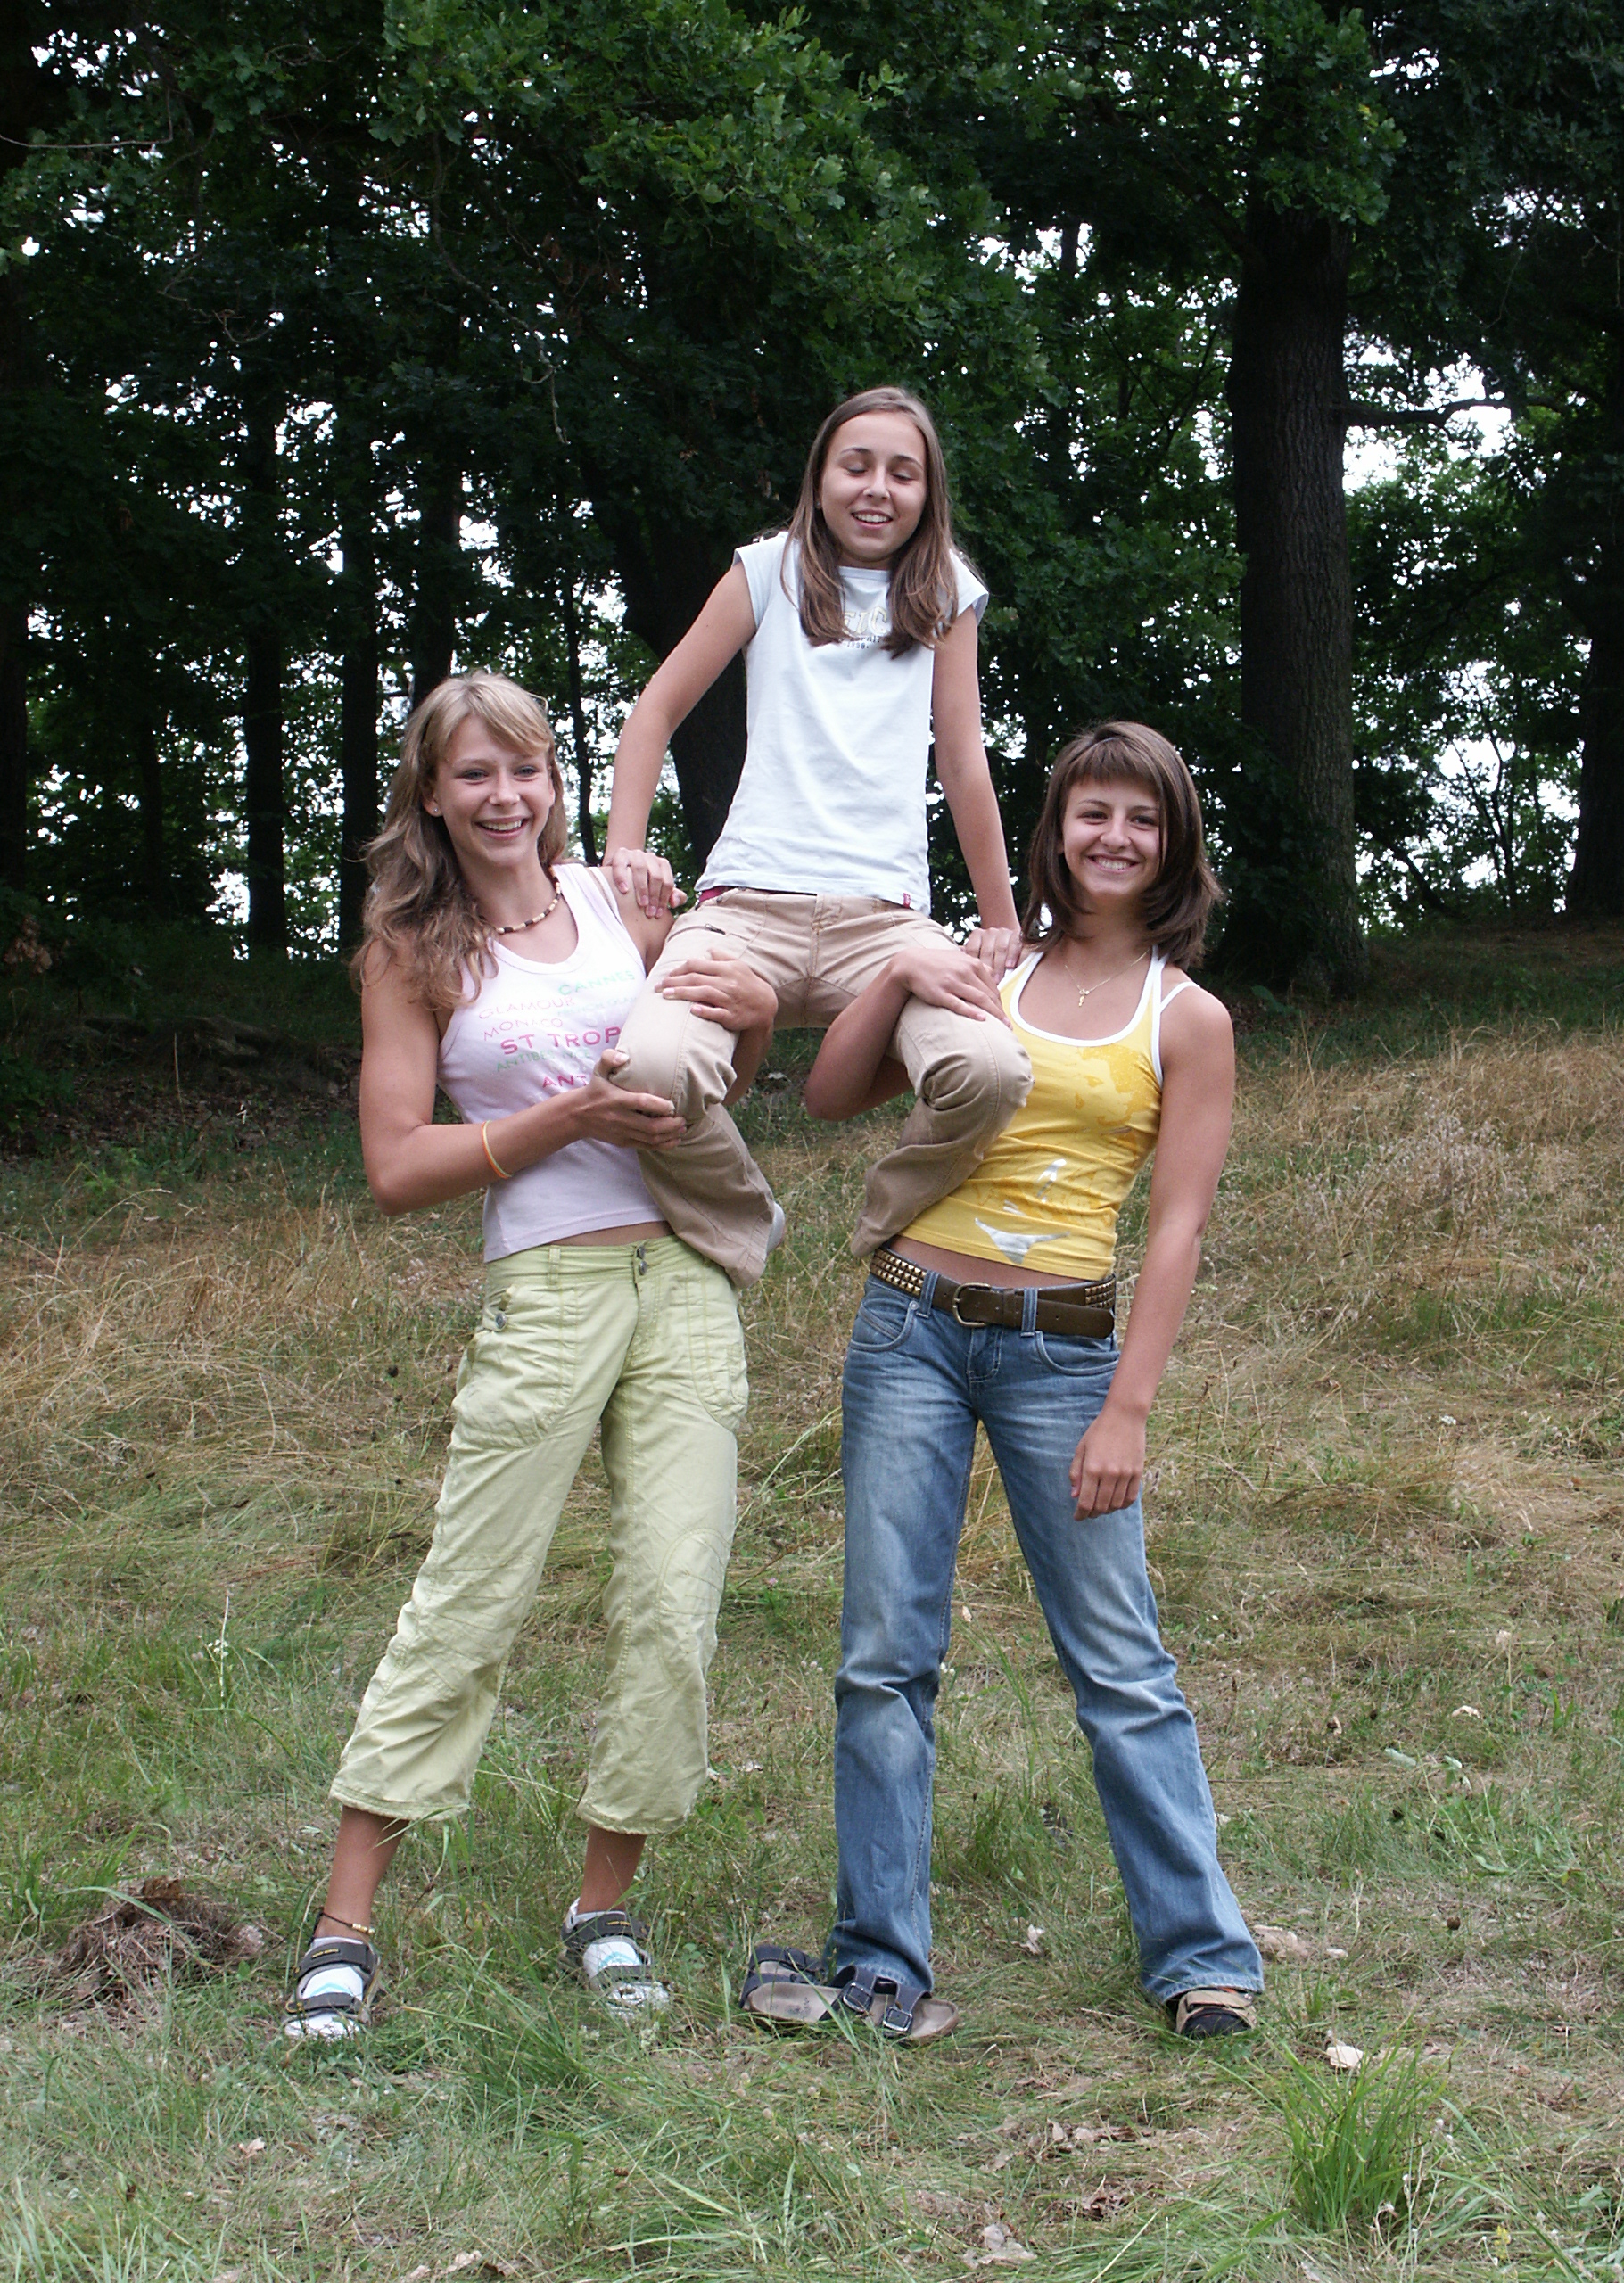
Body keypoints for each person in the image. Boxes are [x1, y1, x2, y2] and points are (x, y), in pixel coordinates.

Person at [740, 722, 1264, 2044]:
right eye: (1093, 813)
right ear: (1056, 829)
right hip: (910, 1328)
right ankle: (880, 1962)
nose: (1114, 839)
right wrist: (901, 966)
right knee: (884, 1656)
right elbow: (830, 1094)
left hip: (1064, 1352)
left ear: (1174, 843)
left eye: (1142, 819)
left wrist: (1128, 1408)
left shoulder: (1187, 1018)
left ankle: (1203, 1958)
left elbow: (1178, 1227)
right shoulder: (990, 969)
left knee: (1120, 1661)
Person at [284, 672, 778, 2040]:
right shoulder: (411, 952)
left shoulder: (624, 907)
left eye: (529, 769)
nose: (507, 797)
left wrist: (754, 1016)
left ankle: (602, 1909)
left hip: (682, 1279)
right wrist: (563, 1121)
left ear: (557, 783)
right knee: (471, 1596)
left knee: (673, 1603)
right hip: (549, 1289)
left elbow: (713, 1076)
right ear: (432, 796)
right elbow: (397, 1167)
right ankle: (343, 1929)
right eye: (476, 774)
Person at [598, 385, 1034, 1283]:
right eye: (856, 465)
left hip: (887, 925)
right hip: (744, 912)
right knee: (645, 1070)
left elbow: (963, 762)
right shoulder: (768, 570)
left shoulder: (947, 591)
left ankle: (886, 1219)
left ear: (928, 493)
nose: (877, 488)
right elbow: (657, 709)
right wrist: (624, 848)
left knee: (993, 1071)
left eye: (902, 473)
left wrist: (1000, 917)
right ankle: (745, 1218)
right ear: (821, 478)